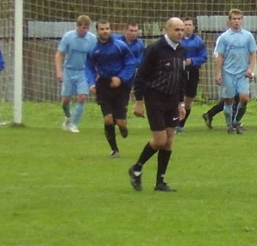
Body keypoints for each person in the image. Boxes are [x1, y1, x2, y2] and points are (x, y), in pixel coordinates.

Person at [127, 17, 187, 192]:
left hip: (172, 99)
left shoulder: (182, 50)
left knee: (169, 141)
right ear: (166, 29)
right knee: (160, 140)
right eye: (177, 30)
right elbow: (141, 76)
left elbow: (181, 78)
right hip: (155, 98)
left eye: (182, 30)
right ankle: (137, 168)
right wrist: (139, 102)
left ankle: (160, 182)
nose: (180, 33)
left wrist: (181, 103)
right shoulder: (154, 49)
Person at [86, 20, 138, 158]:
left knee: (120, 121)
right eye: (102, 29)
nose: (105, 31)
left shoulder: (120, 46)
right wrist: (91, 83)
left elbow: (130, 63)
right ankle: (115, 150)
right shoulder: (93, 50)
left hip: (121, 85)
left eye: (107, 28)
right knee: (108, 119)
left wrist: (121, 78)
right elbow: (89, 67)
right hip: (103, 84)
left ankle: (122, 125)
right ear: (97, 31)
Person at [214, 8, 257, 134]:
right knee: (229, 100)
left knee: (244, 98)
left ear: (241, 20)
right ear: (230, 20)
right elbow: (220, 56)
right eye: (234, 19)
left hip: (243, 73)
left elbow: (253, 53)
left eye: (239, 19)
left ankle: (236, 121)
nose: (237, 21)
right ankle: (229, 126)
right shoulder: (224, 37)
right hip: (228, 73)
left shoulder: (248, 36)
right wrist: (217, 73)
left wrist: (250, 69)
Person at [55, 15, 97, 133]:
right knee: (66, 100)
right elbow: (59, 54)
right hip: (69, 70)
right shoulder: (68, 37)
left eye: (87, 28)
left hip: (84, 71)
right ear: (78, 26)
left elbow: (95, 56)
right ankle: (68, 117)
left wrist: (96, 73)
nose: (85, 31)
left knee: (82, 97)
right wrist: (59, 71)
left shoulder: (92, 39)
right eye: (83, 28)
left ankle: (74, 124)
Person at [175, 17, 207, 133]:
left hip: (193, 72)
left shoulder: (198, 41)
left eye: (190, 25)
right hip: (178, 72)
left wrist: (192, 61)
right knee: (176, 98)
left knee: (188, 100)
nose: (187, 27)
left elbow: (204, 57)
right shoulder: (177, 40)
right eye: (185, 25)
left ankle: (181, 124)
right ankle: (175, 124)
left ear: (193, 27)